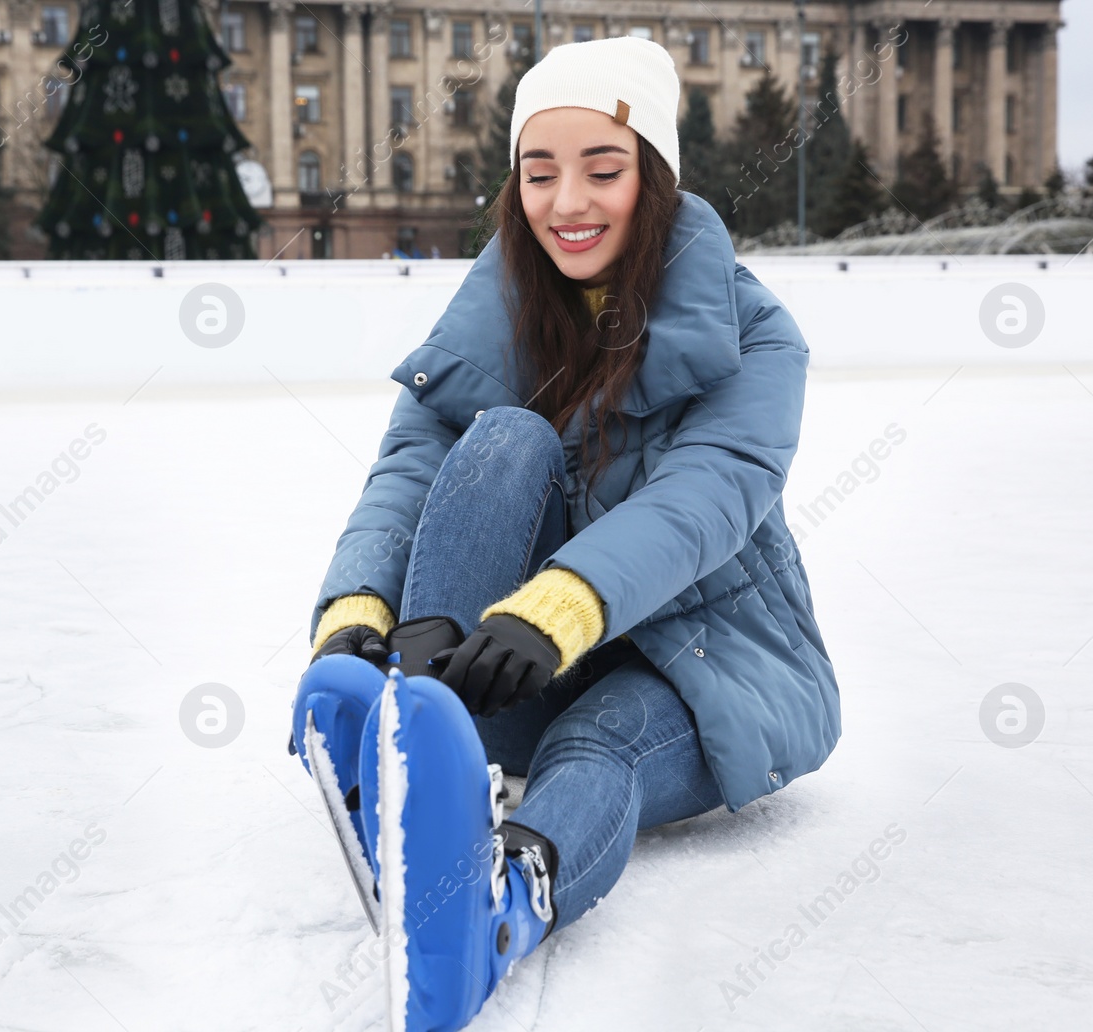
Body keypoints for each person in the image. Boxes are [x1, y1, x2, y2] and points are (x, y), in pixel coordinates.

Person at [292, 36, 842, 1032]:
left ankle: (500, 904)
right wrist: (360, 609)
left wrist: (556, 610)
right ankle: (414, 732)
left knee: (600, 741)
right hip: (507, 668)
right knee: (499, 435)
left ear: (657, 179)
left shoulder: (755, 335)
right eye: (539, 173)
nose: (567, 202)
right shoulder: (493, 317)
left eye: (603, 168)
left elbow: (705, 500)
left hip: (701, 664)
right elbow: (408, 471)